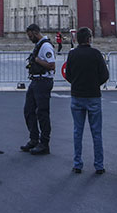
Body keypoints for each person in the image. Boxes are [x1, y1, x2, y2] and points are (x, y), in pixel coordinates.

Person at [63, 27, 108, 175]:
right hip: (93, 96)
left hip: (77, 96)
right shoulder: (96, 54)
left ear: (76, 40)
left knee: (77, 132)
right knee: (96, 133)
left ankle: (77, 164)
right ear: (89, 39)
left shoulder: (72, 54)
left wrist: (77, 84)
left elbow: (68, 74)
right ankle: (99, 166)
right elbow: (105, 75)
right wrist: (94, 85)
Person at [20, 23, 56, 155]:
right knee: (29, 110)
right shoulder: (39, 45)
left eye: (30, 36)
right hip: (35, 80)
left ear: (35, 33)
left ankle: (44, 143)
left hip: (43, 81)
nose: (30, 39)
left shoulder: (45, 46)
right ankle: (34, 139)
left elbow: (52, 65)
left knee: (42, 113)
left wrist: (36, 60)